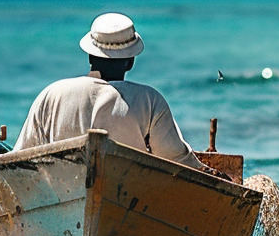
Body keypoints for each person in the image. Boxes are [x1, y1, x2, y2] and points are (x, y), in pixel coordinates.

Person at [13, 12, 216, 174]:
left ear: (90, 56)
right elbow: (174, 158)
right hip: (129, 198)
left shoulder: (51, 94)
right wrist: (208, 172)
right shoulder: (149, 100)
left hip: (59, 194)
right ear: (131, 61)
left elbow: (21, 157)